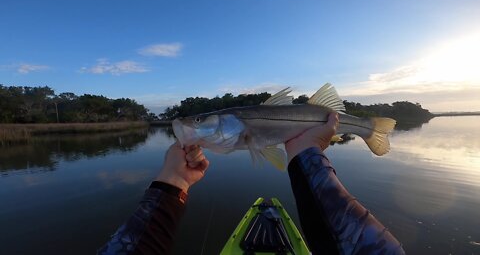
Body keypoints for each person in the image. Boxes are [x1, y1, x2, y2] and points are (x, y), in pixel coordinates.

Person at [98, 113, 405, 255]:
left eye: (199, 121)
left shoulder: (246, 127)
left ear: (233, 121)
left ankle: (367, 129)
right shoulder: (241, 133)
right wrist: (305, 153)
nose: (193, 127)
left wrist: (173, 179)